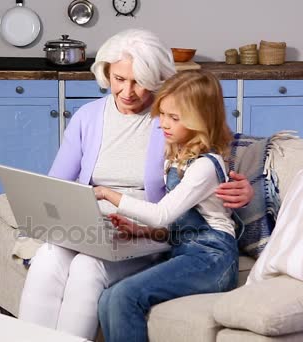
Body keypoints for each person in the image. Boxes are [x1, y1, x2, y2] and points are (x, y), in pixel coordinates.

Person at [18, 29, 252, 341]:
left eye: (139, 81)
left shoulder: (173, 116)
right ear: (105, 73)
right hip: (93, 223)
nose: (127, 91)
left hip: (147, 231)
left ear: (158, 79)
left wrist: (246, 189)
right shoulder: (87, 117)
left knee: (87, 268)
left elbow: (214, 146)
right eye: (119, 79)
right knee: (48, 257)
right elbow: (56, 183)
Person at [94, 70, 240, 342]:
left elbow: (162, 214)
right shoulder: (176, 157)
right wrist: (142, 231)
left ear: (201, 120)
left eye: (175, 118)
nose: (164, 124)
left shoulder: (206, 166)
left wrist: (108, 194)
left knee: (125, 297)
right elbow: (177, 226)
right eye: (162, 114)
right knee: (108, 298)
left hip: (213, 259)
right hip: (184, 251)